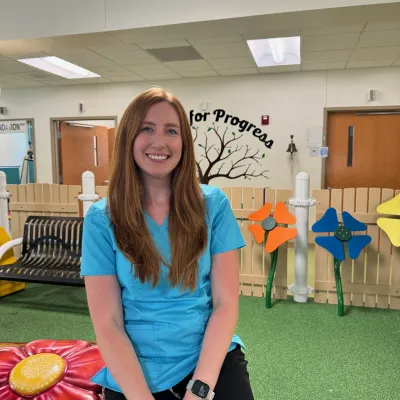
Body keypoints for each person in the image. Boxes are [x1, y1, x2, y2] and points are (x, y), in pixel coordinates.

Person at [81, 87, 254, 400]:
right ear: (129, 138)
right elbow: (108, 324)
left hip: (206, 358)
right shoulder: (101, 218)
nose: (159, 142)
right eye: (147, 128)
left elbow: (225, 304)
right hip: (134, 367)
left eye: (171, 131)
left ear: (183, 142)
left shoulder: (213, 205)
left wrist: (200, 390)